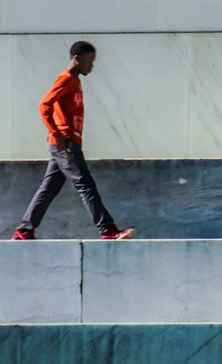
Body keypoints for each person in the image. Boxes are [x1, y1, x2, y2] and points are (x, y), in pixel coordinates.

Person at [12, 41, 135, 240]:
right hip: (65, 145)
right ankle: (108, 230)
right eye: (89, 62)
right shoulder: (66, 79)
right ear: (76, 59)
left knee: (48, 190)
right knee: (86, 186)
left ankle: (24, 231)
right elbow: (44, 105)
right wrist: (57, 133)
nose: (91, 67)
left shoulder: (75, 81)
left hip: (66, 144)